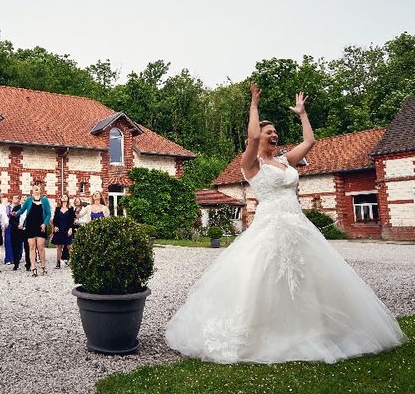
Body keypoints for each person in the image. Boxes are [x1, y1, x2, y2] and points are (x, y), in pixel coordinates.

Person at [165, 84, 406, 363]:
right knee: (262, 276)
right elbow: (252, 135)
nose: (274, 134)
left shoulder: (285, 161)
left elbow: (309, 143)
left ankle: (314, 330)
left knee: (310, 277)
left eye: (275, 132)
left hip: (297, 225)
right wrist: (253, 104)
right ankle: (264, 333)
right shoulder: (250, 164)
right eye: (270, 132)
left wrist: (302, 114)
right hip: (270, 226)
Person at [14, 185, 51, 277]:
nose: (36, 189)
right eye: (35, 188)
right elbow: (22, 210)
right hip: (30, 225)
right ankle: (33, 267)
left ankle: (43, 266)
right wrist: (16, 213)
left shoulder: (44, 200)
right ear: (32, 191)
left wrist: (45, 223)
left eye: (38, 188)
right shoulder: (29, 200)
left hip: (40, 225)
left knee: (40, 246)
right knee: (31, 247)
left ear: (40, 190)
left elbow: (48, 214)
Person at [51, 194, 75, 269]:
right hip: (59, 228)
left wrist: (71, 228)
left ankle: (73, 261)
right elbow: (55, 219)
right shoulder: (58, 208)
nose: (64, 198)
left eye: (65, 196)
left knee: (69, 246)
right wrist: (55, 226)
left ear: (68, 199)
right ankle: (58, 263)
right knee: (59, 246)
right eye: (62, 197)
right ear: (60, 199)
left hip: (67, 228)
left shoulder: (71, 209)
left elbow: (72, 220)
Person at [8, 194, 29, 271]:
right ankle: (16, 264)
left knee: (28, 248)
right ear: (20, 200)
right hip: (16, 230)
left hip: (27, 231)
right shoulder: (16, 208)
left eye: (26, 198)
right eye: (23, 197)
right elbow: (11, 220)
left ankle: (28, 265)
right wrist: (17, 226)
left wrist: (25, 226)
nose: (24, 199)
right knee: (15, 247)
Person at [2, 194, 14, 265]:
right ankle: (8, 258)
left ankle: (13, 258)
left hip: (13, 225)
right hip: (8, 226)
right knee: (8, 242)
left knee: (13, 242)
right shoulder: (7, 207)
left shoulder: (10, 206)